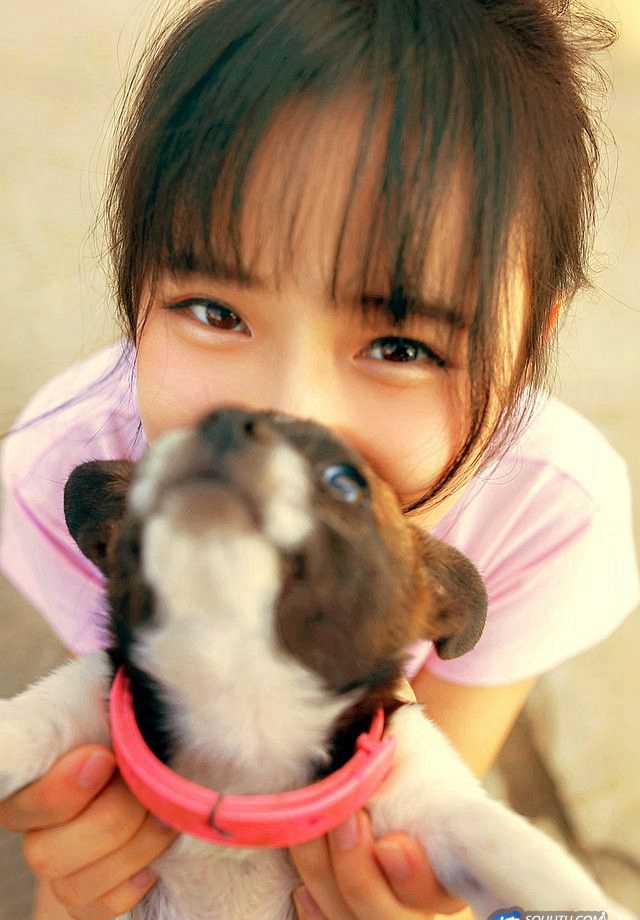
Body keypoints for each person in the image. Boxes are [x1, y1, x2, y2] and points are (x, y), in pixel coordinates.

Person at [1, 1, 638, 918]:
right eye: (216, 312)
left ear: (527, 344)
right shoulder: (78, 462)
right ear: (134, 281)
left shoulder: (545, 510)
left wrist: (428, 892)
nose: (282, 413)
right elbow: (129, 718)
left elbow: (427, 804)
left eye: (402, 345)